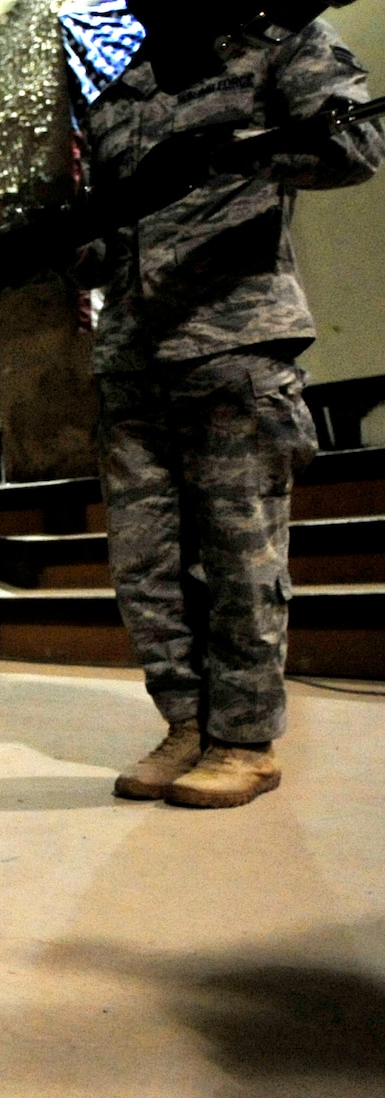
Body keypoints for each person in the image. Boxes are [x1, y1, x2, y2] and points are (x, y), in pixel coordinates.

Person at [78, 0, 382, 808]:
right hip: (134, 357)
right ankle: (185, 722)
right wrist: (75, 247)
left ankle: (244, 740)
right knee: (142, 566)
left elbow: (358, 146)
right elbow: (112, 236)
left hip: (235, 340)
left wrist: (249, 153)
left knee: (242, 556)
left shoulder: (279, 49)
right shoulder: (119, 99)